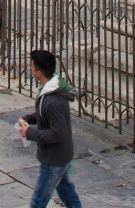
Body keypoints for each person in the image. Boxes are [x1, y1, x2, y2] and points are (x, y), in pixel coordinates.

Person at [17, 49, 81, 208]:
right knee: (68, 194)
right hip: (60, 156)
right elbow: (44, 115)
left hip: (54, 159)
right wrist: (28, 119)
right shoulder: (50, 91)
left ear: (38, 73)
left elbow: (57, 133)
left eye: (32, 66)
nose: (30, 68)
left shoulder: (52, 100)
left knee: (38, 202)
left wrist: (29, 132)